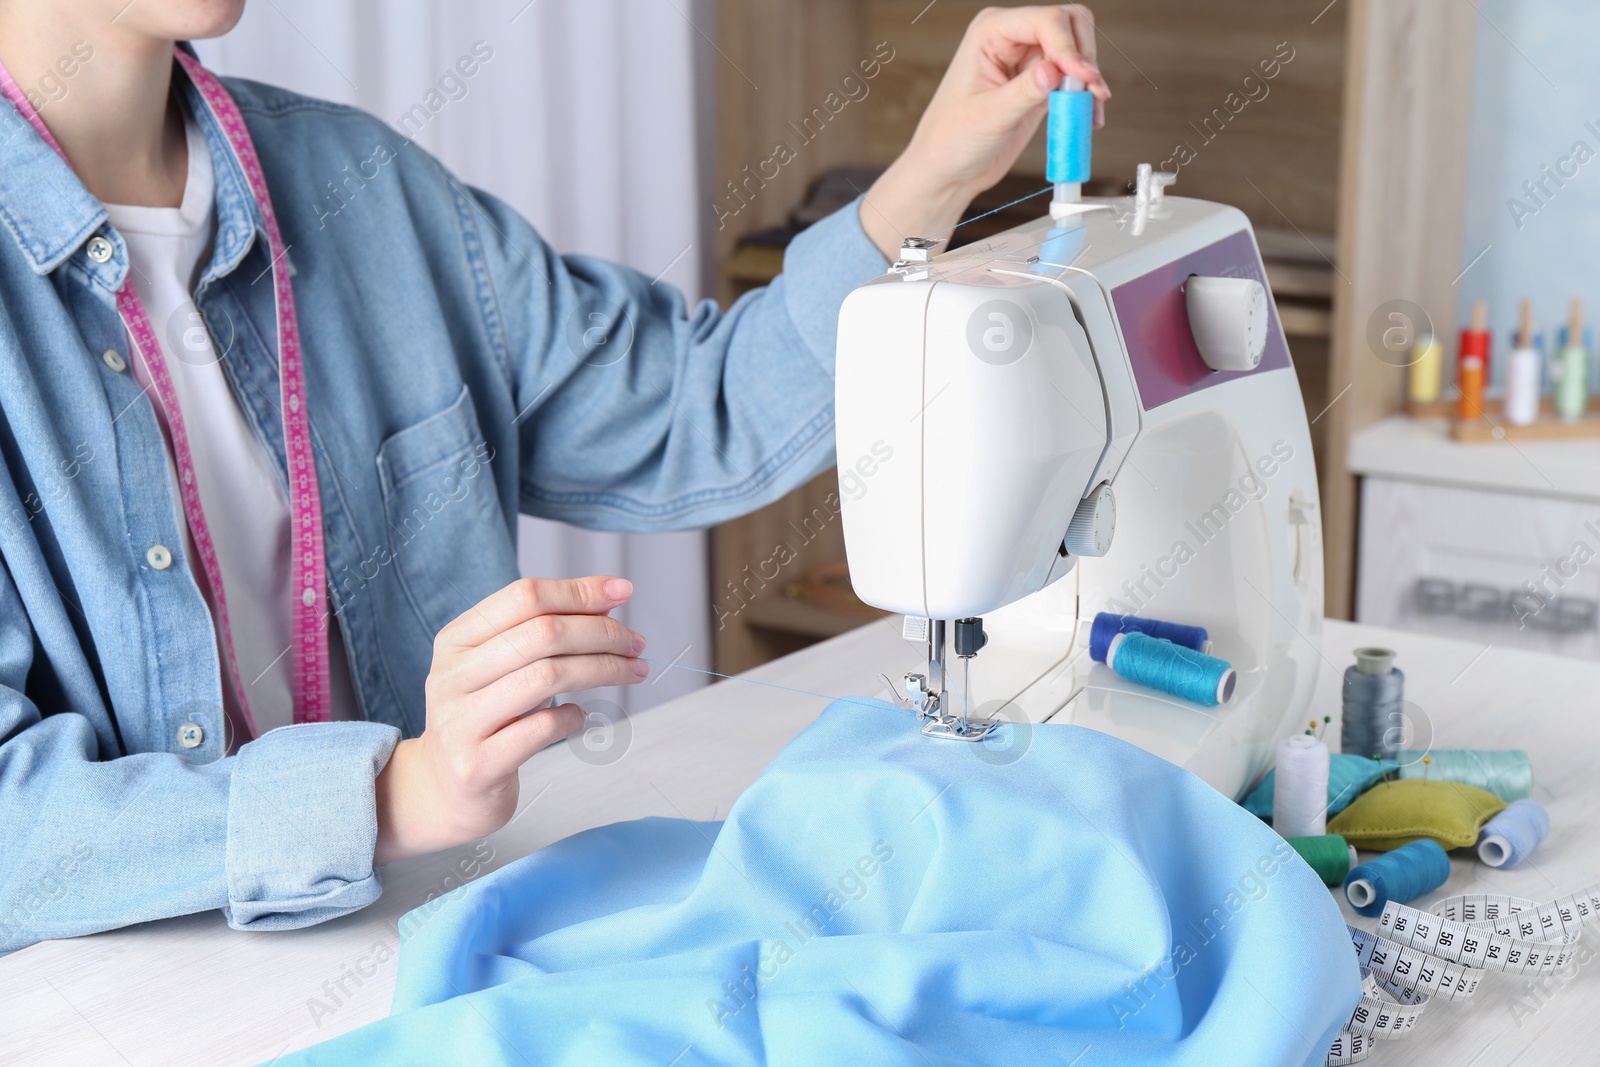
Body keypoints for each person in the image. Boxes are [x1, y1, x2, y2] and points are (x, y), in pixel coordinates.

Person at [0, 0, 1108, 953]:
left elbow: (696, 407)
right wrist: (395, 794)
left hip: (413, 953)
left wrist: (931, 175)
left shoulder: (362, 188)